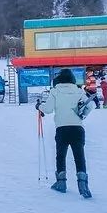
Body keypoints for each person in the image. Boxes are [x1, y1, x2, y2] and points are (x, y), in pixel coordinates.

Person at [36, 68, 93, 198]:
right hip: (77, 128)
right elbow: (90, 105)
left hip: (62, 128)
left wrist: (39, 106)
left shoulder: (55, 91)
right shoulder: (79, 91)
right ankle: (83, 185)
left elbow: (48, 109)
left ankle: (61, 183)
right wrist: (82, 115)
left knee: (60, 156)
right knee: (79, 156)